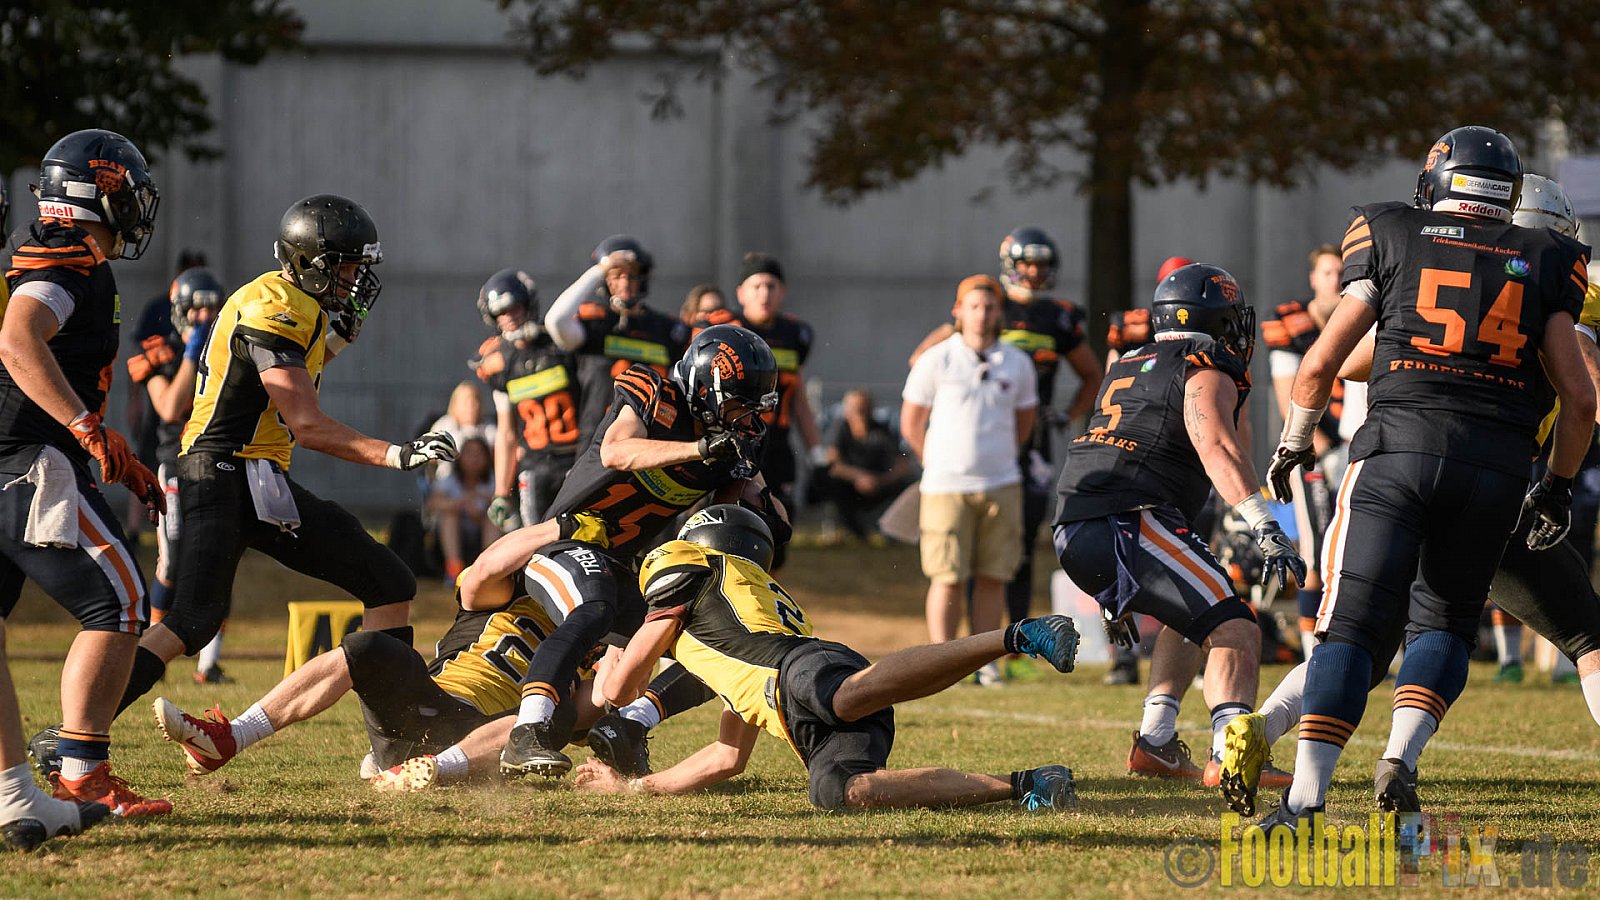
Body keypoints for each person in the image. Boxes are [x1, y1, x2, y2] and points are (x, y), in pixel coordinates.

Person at [1257, 127, 1594, 834]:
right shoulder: (1548, 258)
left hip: (1397, 453)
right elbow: (1581, 397)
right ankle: (1400, 759)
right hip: (1496, 469)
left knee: (1351, 630)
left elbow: (1322, 364)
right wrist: (1558, 487)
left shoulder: (1391, 230)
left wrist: (1293, 443)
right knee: (1445, 623)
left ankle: (1304, 801)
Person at [85, 194, 460, 736]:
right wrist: (396, 453)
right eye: (346, 267)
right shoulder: (275, 309)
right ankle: (78, 731)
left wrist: (334, 340)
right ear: (311, 262)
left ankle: (396, 737)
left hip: (254, 477)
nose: (353, 280)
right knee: (193, 617)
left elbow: (275, 382)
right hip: (223, 473)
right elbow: (306, 423)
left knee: (389, 580)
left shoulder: (287, 302)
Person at [571, 505, 1081, 811]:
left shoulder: (688, 564)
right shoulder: (738, 614)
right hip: (801, 706)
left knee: (844, 696)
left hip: (802, 676)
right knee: (839, 792)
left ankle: (1016, 635)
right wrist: (633, 790)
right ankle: (1028, 785)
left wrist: (613, 654)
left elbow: (619, 689)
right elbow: (726, 758)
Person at [1053, 263, 1305, 816]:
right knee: (1236, 627)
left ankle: (1156, 740)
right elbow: (1215, 444)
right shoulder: (1203, 363)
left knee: (1191, 616)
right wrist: (1264, 523)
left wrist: (1112, 588)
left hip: (1081, 521)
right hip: (1128, 519)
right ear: (1218, 320)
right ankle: (1230, 756)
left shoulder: (1128, 361)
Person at [496, 324, 791, 778]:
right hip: (568, 539)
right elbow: (616, 452)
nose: (746, 415)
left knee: (707, 639)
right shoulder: (653, 392)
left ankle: (627, 728)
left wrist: (764, 509)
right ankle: (527, 730)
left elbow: (743, 504)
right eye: (738, 402)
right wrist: (698, 449)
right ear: (704, 387)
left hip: (627, 565)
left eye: (754, 405)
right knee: (595, 603)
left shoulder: (738, 435)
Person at [151, 523, 612, 787]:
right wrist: (559, 527)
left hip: (479, 744)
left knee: (550, 716)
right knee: (368, 646)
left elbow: (598, 701)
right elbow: (486, 567)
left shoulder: (593, 647)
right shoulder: (502, 597)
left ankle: (430, 772)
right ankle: (231, 737)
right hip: (428, 704)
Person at [1, 129, 169, 823]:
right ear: (88, 195)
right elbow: (18, 338)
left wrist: (113, 452)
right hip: (28, 459)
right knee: (122, 603)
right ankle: (84, 775)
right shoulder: (68, 261)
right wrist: (81, 426)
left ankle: (15, 794)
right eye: (124, 193)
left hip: (20, 454)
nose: (135, 207)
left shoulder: (66, 255)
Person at [911, 229, 1104, 640]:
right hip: (963, 458)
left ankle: (1006, 644)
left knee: (1015, 550)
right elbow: (924, 359)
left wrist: (1067, 414)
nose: (1034, 273)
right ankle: (955, 650)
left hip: (1024, 444)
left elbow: (1091, 373)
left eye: (1041, 265)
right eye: (1027, 264)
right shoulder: (983, 306)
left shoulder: (1058, 317)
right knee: (954, 565)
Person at [902, 276, 1037, 687]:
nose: (982, 315)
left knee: (994, 575)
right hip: (945, 486)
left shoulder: (1017, 362)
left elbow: (1023, 424)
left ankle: (984, 662)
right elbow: (912, 423)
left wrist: (996, 459)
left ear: (1000, 313)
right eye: (974, 306)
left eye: (990, 307)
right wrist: (936, 462)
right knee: (947, 575)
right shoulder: (936, 359)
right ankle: (942, 661)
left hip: (1002, 483)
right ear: (958, 311)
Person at [128, 267, 228, 683]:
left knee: (221, 559)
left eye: (212, 308)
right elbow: (169, 407)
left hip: (222, 460)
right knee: (170, 561)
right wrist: (191, 353)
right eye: (197, 308)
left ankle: (209, 663)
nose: (205, 316)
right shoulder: (161, 349)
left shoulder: (227, 346)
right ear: (179, 311)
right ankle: (152, 653)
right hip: (176, 461)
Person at [1260, 245, 1347, 656]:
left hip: (1358, 446)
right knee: (1316, 551)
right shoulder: (1291, 324)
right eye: (1328, 272)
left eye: (1342, 272)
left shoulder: (1362, 317)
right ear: (1313, 278)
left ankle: (1354, 642)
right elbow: (1287, 398)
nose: (1336, 280)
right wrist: (1321, 447)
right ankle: (1314, 650)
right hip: (1311, 452)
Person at [695, 253, 822, 514]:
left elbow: (798, 399)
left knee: (779, 522)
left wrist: (817, 454)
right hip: (730, 441)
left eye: (771, 286)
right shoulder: (720, 328)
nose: (764, 294)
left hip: (777, 445)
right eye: (757, 286)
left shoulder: (794, 334)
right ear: (741, 293)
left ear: (782, 292)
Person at [542, 235, 690, 451]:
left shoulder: (666, 328)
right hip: (596, 442)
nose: (624, 283)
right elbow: (555, 320)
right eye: (615, 276)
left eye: (631, 275)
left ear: (642, 277)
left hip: (649, 439)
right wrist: (600, 269)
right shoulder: (595, 322)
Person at [471, 269, 580, 534]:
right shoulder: (500, 362)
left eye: (514, 308)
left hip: (576, 457)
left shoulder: (558, 343)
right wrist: (500, 492)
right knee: (534, 539)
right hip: (534, 462)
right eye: (501, 312)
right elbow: (506, 432)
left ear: (528, 305)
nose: (509, 317)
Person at [818, 388, 912, 541]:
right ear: (846, 410)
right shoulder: (839, 428)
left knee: (908, 485)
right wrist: (858, 477)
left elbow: (902, 466)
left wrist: (880, 480)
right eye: (856, 409)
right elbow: (833, 464)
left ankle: (893, 532)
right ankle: (857, 532)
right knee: (827, 481)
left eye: (864, 409)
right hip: (849, 485)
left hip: (879, 484)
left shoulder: (882, 431)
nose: (860, 413)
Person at [427, 436, 499, 577]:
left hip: (482, 534)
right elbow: (432, 502)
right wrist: (461, 503)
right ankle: (454, 568)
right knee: (450, 516)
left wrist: (482, 506)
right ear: (460, 457)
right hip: (450, 536)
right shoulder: (449, 479)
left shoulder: (493, 480)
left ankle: (489, 569)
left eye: (479, 454)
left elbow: (503, 504)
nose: (474, 459)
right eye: (469, 453)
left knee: (492, 519)